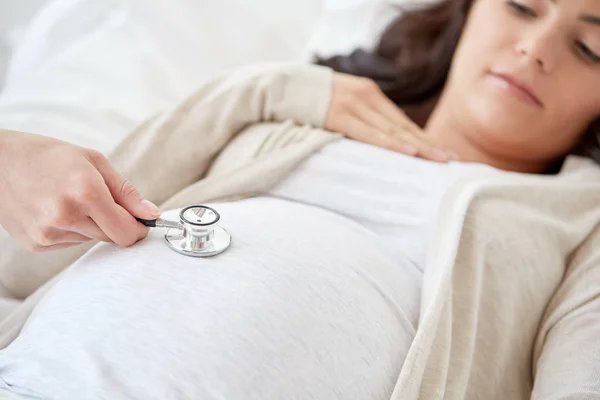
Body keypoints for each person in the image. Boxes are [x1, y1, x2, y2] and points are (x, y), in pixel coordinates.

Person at [0, 0, 598, 399]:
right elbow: (29, 258)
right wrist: (264, 90)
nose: (534, 47)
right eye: (521, 5)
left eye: (589, 48)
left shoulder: (576, 218)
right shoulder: (289, 110)